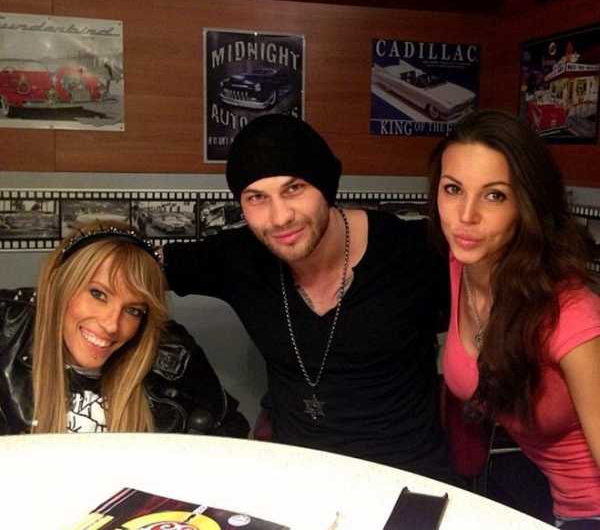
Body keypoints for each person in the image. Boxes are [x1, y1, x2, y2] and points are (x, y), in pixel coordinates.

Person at [162, 113, 451, 479]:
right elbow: (131, 265)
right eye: (257, 197)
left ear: (326, 187)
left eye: (294, 189)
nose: (279, 217)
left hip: (409, 479)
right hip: (298, 476)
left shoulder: (415, 251)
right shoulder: (238, 256)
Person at [428, 110, 600, 527]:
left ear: (527, 205)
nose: (465, 216)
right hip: (546, 492)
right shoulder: (464, 261)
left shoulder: (570, 316)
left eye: (494, 196)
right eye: (453, 189)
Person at [0, 221, 249, 436]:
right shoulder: (7, 328)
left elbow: (229, 435)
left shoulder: (174, 354)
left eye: (133, 310)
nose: (111, 325)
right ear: (60, 284)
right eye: (98, 294)